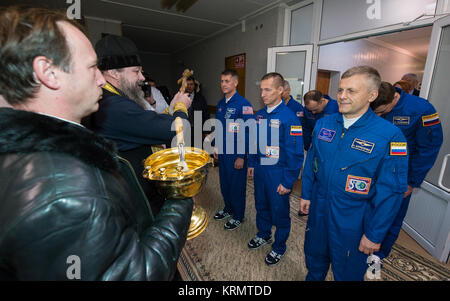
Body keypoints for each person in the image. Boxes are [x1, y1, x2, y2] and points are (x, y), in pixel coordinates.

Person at [0, 6, 192, 280]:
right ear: (48, 72)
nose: (100, 80)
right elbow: (138, 274)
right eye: (92, 67)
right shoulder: (67, 194)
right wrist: (180, 196)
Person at [299, 66, 409, 281]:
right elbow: (313, 161)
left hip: (354, 220)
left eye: (351, 91)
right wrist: (306, 193)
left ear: (372, 95)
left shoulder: (391, 136)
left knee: (348, 273)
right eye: (340, 90)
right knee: (314, 261)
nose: (342, 96)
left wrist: (375, 234)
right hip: (319, 212)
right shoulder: (323, 124)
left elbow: (391, 191)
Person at [89, 34, 192, 215]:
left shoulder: (111, 99)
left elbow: (146, 124)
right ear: (113, 72)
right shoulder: (113, 105)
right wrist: (182, 106)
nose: (142, 77)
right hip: (136, 201)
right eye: (136, 71)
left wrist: (172, 108)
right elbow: (177, 129)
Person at [370, 81, 443, 260]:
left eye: (381, 112)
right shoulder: (375, 101)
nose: (377, 116)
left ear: (393, 99)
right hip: (373, 171)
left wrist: (411, 181)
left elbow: (429, 148)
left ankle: (377, 258)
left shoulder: (422, 110)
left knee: (391, 217)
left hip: (399, 177)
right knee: (368, 212)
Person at [247, 72, 304, 266]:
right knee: (261, 205)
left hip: (278, 173)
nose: (263, 94)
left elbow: (296, 154)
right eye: (261, 89)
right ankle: (264, 234)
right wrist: (253, 163)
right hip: (262, 170)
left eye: (268, 89)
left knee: (279, 212)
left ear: (280, 90)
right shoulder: (260, 114)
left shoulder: (290, 119)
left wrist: (288, 181)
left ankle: (279, 246)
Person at [213, 69, 254, 231]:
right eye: (222, 81)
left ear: (235, 83)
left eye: (227, 81)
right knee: (225, 183)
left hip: (236, 153)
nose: (223, 84)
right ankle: (228, 208)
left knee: (237, 186)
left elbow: (249, 131)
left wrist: (241, 156)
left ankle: (238, 215)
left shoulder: (244, 104)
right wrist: (215, 145)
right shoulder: (221, 104)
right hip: (223, 151)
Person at [298, 90, 339, 217]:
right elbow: (305, 127)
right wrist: (306, 144)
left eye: (315, 110)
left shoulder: (336, 108)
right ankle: (307, 201)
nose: (313, 113)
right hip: (313, 148)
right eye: (310, 110)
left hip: (330, 153)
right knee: (309, 174)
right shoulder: (307, 110)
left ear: (322, 101)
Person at [185, 76, 210, 148]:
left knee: (197, 152)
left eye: (191, 84)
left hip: (197, 129)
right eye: (187, 84)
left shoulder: (200, 98)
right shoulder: (180, 97)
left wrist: (206, 132)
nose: (189, 86)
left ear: (194, 85)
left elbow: (206, 114)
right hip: (184, 129)